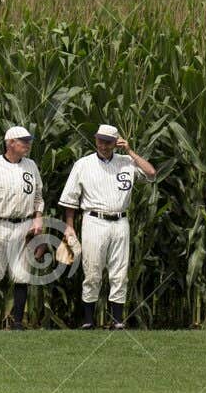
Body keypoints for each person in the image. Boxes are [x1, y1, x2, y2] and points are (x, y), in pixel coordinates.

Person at [58, 125, 156, 329]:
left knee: (119, 273)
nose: (103, 145)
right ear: (95, 140)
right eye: (100, 141)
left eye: (108, 142)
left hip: (121, 221)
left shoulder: (126, 162)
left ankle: (117, 321)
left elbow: (151, 173)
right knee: (92, 271)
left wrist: (129, 150)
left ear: (116, 143)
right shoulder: (83, 164)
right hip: (94, 220)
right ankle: (88, 321)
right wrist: (69, 227)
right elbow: (70, 199)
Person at [0, 126, 45, 330]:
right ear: (10, 143)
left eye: (29, 141)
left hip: (24, 225)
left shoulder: (31, 165)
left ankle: (18, 323)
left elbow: (38, 196)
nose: (28, 145)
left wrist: (38, 218)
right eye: (24, 141)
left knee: (22, 275)